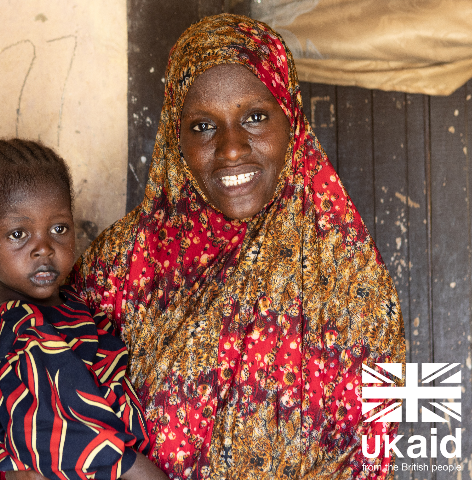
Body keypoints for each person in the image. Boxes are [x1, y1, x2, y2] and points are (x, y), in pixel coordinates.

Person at [72, 14, 405, 479]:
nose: (231, 149)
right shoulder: (122, 267)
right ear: (175, 136)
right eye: (203, 126)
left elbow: (375, 454)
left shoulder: (351, 279)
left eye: (254, 117)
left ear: (290, 118)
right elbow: (50, 411)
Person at [0, 139, 169, 480]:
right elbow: (84, 444)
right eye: (18, 234)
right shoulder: (21, 326)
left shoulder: (61, 304)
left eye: (58, 229)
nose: (44, 248)